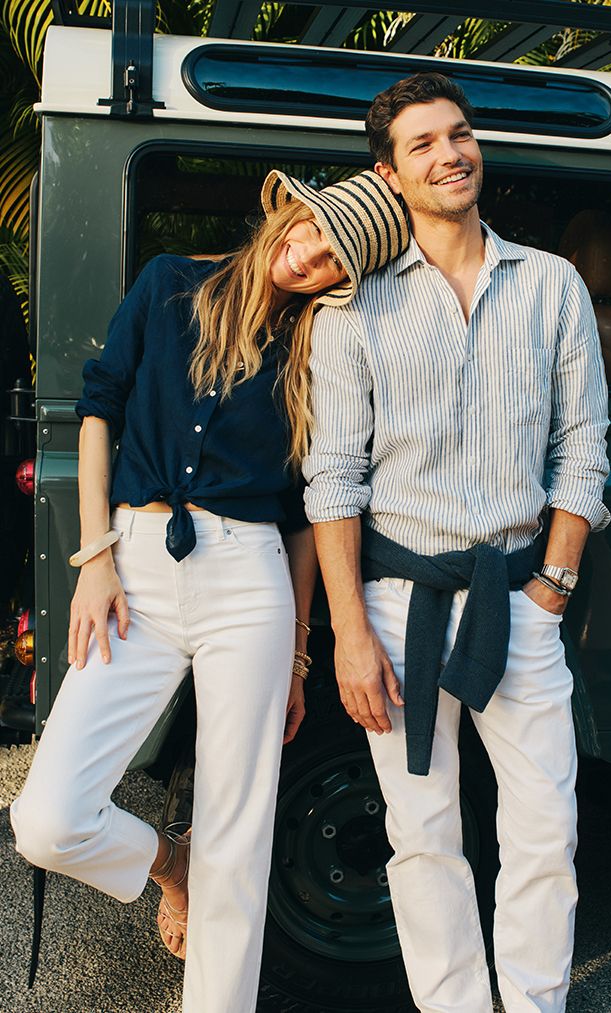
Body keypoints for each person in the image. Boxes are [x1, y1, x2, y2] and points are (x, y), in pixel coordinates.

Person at [10, 169, 408, 1013]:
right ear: (290, 212)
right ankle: (169, 863)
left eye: (337, 259)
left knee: (241, 832)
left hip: (251, 579)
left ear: (345, 283)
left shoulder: (317, 349)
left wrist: (300, 654)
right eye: (316, 229)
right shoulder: (167, 283)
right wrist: (95, 559)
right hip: (138, 570)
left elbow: (306, 517)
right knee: (47, 817)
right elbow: (99, 408)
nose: (311, 255)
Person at [303, 73, 610, 1013]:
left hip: (519, 597)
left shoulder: (551, 284)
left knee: (544, 828)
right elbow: (334, 478)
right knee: (423, 831)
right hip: (399, 608)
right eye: (425, 143)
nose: (451, 153)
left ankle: (534, 1001)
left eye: (460, 134)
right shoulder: (353, 310)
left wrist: (551, 585)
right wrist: (350, 633)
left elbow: (584, 443)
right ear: (392, 175)